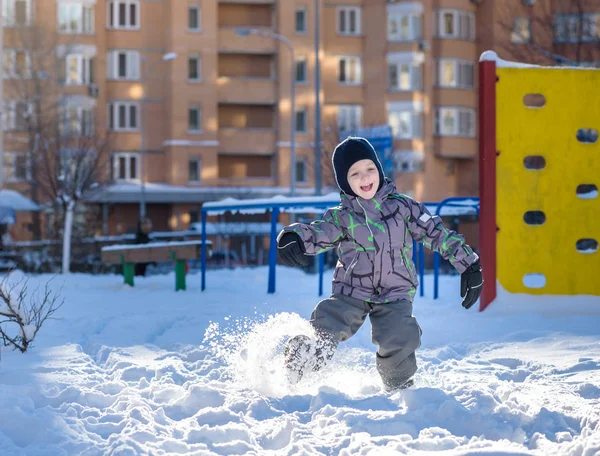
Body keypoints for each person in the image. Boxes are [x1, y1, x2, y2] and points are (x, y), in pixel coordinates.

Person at [276, 137, 483, 391]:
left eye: (369, 169)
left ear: (379, 170)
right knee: (327, 324)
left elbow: (436, 233)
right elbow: (318, 233)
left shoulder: (404, 208)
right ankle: (297, 365)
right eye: (355, 174)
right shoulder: (342, 217)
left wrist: (468, 264)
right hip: (351, 290)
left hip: (395, 292)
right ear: (345, 181)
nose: (365, 178)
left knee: (400, 337)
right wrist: (294, 236)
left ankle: (400, 388)